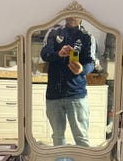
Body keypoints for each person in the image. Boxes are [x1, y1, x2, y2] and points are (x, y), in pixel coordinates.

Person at [40, 17, 96, 146]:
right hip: (54, 94)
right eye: (70, 13)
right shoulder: (53, 32)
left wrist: (82, 69)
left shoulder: (87, 37)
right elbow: (44, 54)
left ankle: (84, 160)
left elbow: (91, 63)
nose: (73, 16)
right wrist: (58, 54)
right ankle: (61, 159)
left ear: (82, 16)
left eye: (76, 14)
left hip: (76, 94)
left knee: (81, 137)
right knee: (58, 137)